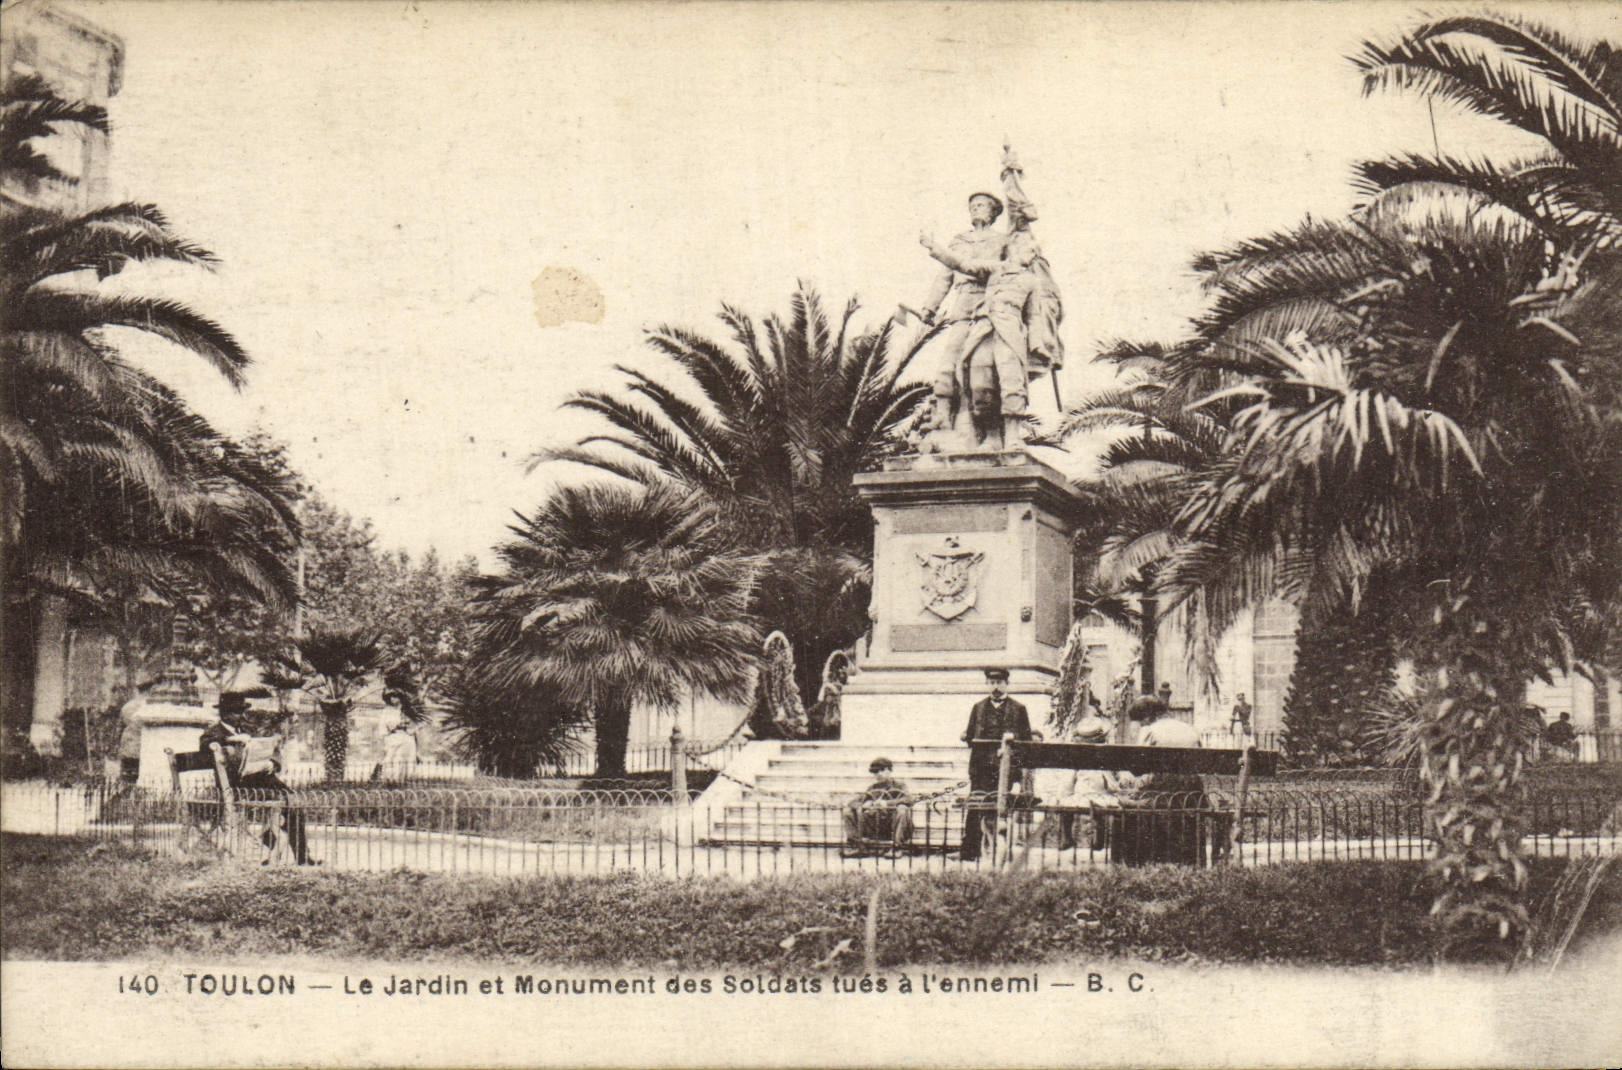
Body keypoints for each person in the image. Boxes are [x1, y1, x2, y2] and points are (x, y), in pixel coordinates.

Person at [200, 692, 317, 865]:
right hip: (236, 786)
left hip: (260, 779)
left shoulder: (248, 730)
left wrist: (272, 765)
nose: (239, 715)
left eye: (241, 711)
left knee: (293, 801)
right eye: (235, 712)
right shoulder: (215, 731)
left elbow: (269, 751)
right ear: (224, 713)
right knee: (286, 802)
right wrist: (231, 739)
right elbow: (205, 745)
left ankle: (300, 855)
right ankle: (270, 850)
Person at [1111, 693, 1207, 865]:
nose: (1140, 724)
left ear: (1148, 717)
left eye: (1141, 721)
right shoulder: (1190, 728)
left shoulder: (1149, 730)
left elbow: (1138, 767)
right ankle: (1187, 859)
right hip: (1192, 794)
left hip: (1161, 793)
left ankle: (1138, 861)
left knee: (1128, 804)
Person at [958, 667, 1032, 861]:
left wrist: (1012, 741)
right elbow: (970, 736)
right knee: (976, 807)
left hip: (1005, 769)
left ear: (1007, 684)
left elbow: (1027, 740)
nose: (995, 687)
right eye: (992, 683)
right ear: (987, 684)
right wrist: (966, 736)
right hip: (981, 768)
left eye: (999, 683)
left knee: (1002, 810)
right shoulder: (978, 707)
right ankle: (970, 851)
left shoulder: (1018, 709)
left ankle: (1001, 851)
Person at [841, 757, 914, 858]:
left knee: (902, 809)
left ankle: (897, 848)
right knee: (848, 811)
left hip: (894, 826)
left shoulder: (900, 786)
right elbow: (852, 803)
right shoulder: (873, 788)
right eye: (875, 772)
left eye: (882, 770)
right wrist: (866, 804)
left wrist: (887, 804)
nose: (878, 774)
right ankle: (856, 846)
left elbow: (909, 800)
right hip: (876, 826)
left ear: (889, 770)